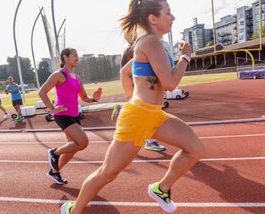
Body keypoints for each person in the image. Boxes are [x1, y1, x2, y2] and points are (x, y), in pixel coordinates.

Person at [61, 0, 205, 213]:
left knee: (195, 149)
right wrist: (185, 56)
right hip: (138, 117)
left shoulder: (153, 43)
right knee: (107, 173)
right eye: (168, 13)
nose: (173, 17)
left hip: (154, 115)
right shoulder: (150, 42)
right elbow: (171, 83)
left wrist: (133, 94)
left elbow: (129, 71)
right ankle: (74, 209)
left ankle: (161, 188)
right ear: (153, 18)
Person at [38, 48, 102, 185]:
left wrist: (94, 99)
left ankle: (54, 172)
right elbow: (42, 92)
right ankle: (54, 153)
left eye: (78, 56)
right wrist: (52, 109)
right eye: (75, 55)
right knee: (83, 142)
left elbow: (84, 97)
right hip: (63, 114)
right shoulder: (59, 75)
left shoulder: (77, 78)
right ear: (65, 57)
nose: (77, 58)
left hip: (74, 115)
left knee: (73, 148)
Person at [112, 45, 166, 152]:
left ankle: (120, 110)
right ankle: (150, 141)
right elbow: (125, 70)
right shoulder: (137, 47)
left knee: (149, 110)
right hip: (137, 82)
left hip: (140, 81)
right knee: (146, 111)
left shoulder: (140, 46)